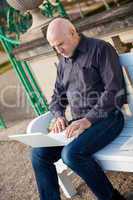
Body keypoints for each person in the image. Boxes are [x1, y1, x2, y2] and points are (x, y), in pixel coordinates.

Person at [31, 17, 127, 200]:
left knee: (71, 154)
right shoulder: (63, 63)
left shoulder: (101, 49)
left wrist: (87, 120)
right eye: (54, 47)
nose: (58, 50)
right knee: (38, 154)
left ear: (73, 33)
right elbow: (57, 98)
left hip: (107, 118)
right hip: (78, 124)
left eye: (60, 44)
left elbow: (115, 92)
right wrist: (59, 116)